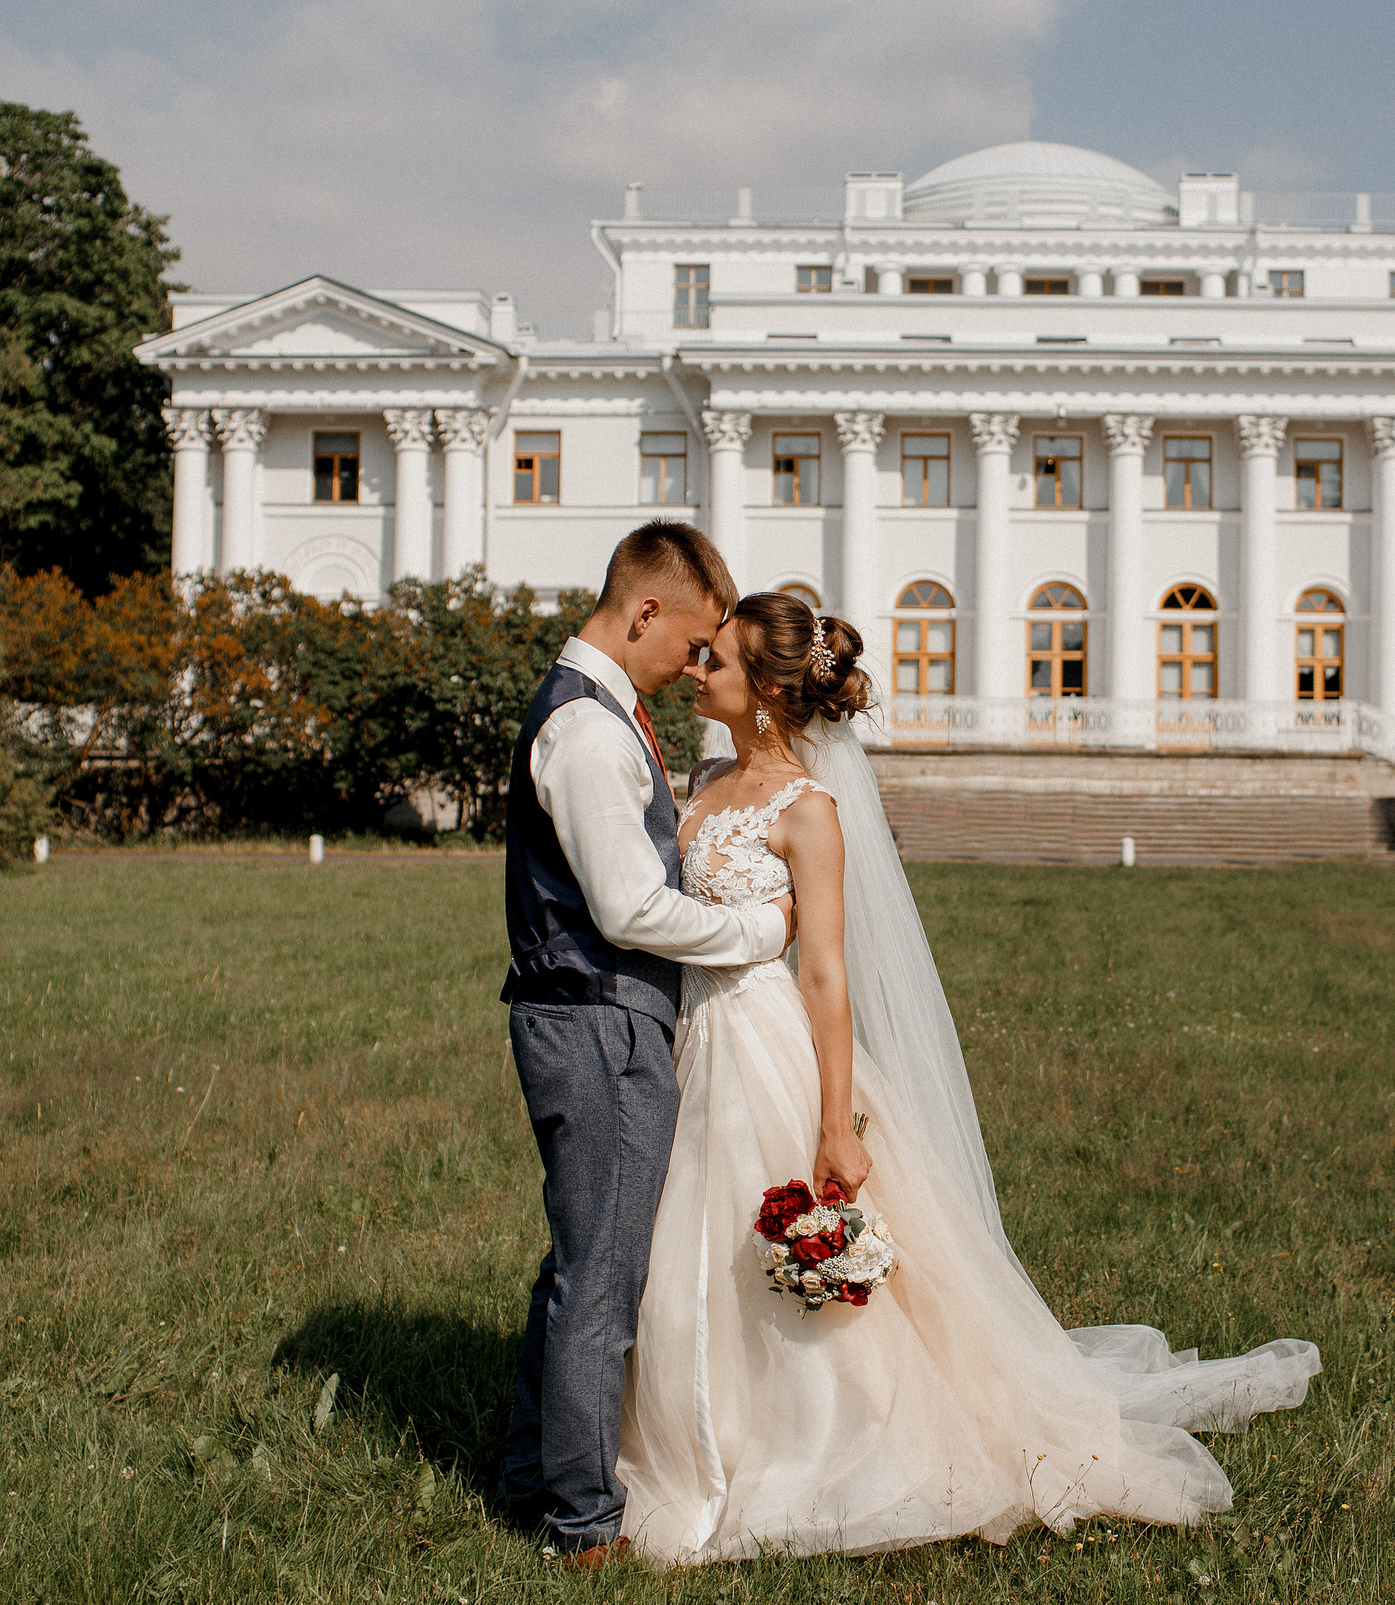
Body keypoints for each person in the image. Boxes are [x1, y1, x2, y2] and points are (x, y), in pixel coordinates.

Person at [615, 592, 1320, 1564]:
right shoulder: (705, 777)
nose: (696, 671)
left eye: (717, 663)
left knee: (757, 1247)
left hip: (764, 1050)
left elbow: (824, 970)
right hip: (686, 1043)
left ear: (769, 694)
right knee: (675, 1252)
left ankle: (802, 1444)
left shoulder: (807, 812)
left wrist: (835, 1123)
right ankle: (675, 1432)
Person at [497, 523, 796, 1569]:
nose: (693, 666)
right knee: (602, 1276)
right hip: (595, 1017)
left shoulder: (598, 712)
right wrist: (756, 935)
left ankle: (533, 1470)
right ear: (642, 615)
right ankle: (580, 1523)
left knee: (579, 1261)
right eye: (694, 641)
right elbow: (626, 908)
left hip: (593, 1015)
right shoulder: (583, 731)